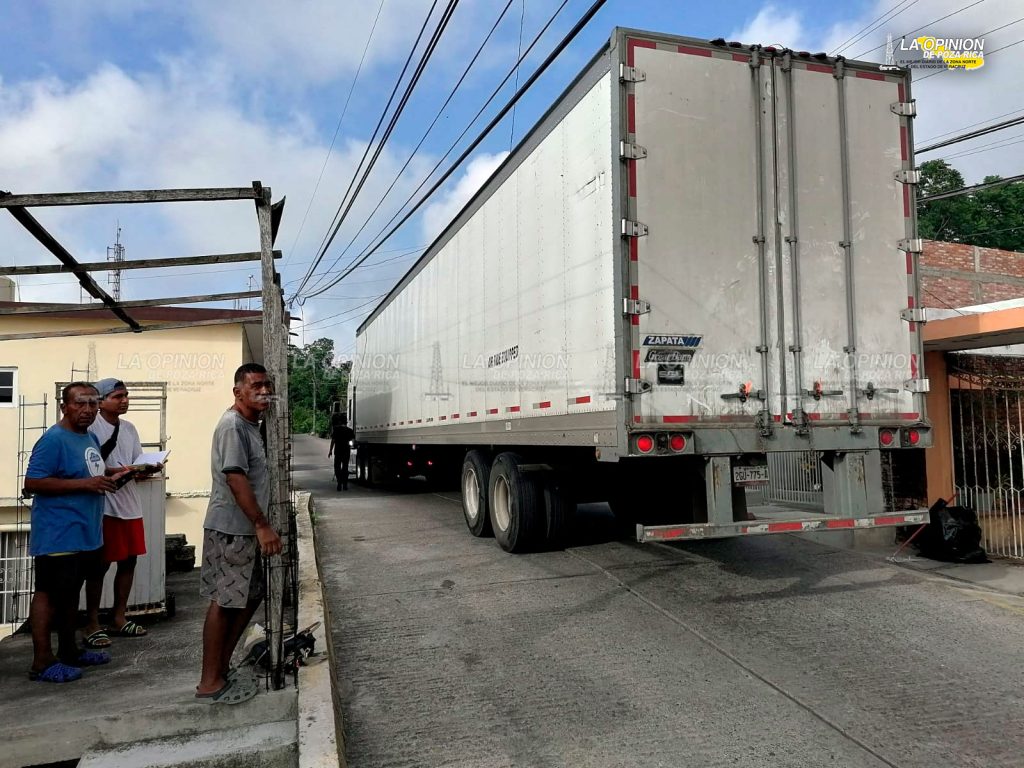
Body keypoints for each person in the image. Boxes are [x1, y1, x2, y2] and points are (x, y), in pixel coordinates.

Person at [23, 382, 129, 683]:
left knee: (71, 594)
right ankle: (42, 661)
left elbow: (90, 472)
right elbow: (33, 482)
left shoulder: (90, 437)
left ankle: (69, 651)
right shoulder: (53, 440)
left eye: (93, 404)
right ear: (64, 407)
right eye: (80, 404)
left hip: (86, 531)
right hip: (58, 532)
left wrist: (116, 474)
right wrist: (86, 485)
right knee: (49, 593)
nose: (87, 410)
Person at [196, 363, 282, 704]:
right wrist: (261, 525)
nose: (264, 391)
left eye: (267, 386)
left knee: (248, 596)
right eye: (256, 386)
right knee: (225, 601)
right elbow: (235, 478)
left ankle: (220, 667)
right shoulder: (233, 426)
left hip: (244, 530)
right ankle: (209, 681)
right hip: (234, 529)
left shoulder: (252, 425)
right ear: (238, 392)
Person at [81, 379, 162, 648]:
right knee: (100, 565)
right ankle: (92, 623)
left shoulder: (130, 429)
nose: (124, 400)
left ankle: (119, 617)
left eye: (126, 396)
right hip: (105, 506)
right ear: (101, 401)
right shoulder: (91, 427)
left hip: (130, 505)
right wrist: (117, 471)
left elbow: (136, 461)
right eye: (118, 396)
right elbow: (88, 467)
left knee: (129, 561)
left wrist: (145, 468)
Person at [328, 413, 354, 491]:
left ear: (339, 422)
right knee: (345, 467)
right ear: (346, 422)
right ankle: (345, 484)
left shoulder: (336, 430)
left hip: (338, 451)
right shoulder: (350, 431)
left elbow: (333, 441)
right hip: (346, 451)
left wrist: (330, 451)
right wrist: (350, 445)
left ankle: (339, 482)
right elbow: (352, 441)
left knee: (337, 468)